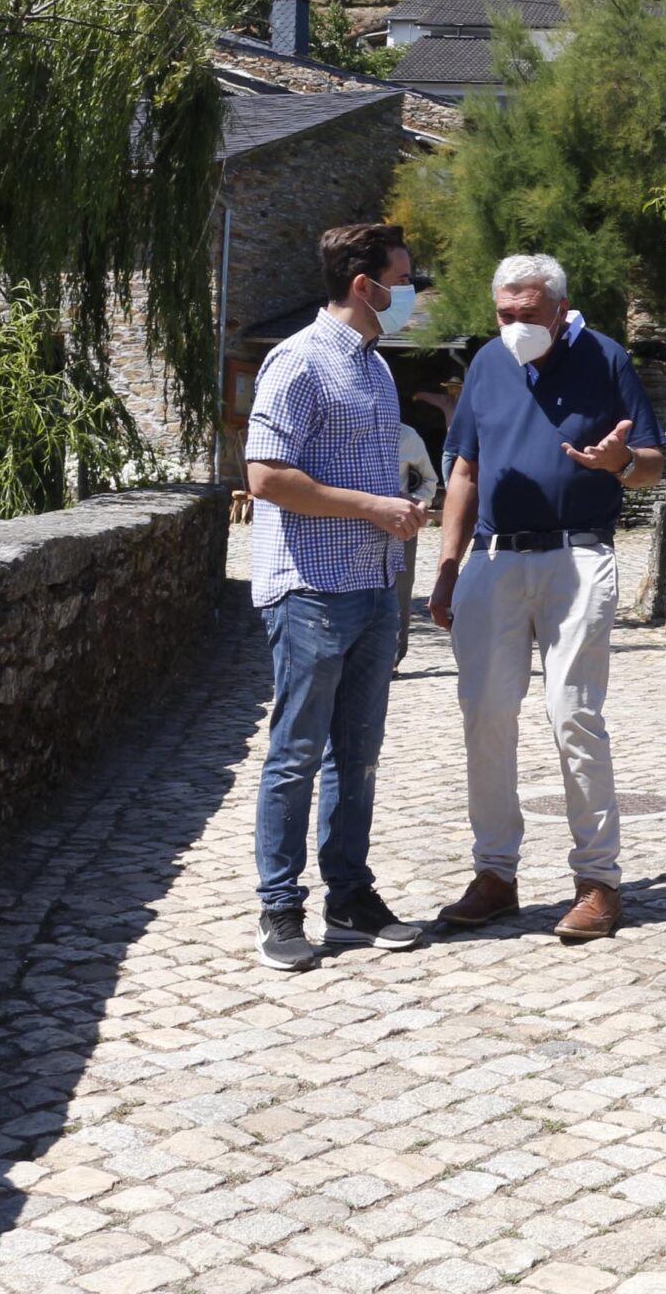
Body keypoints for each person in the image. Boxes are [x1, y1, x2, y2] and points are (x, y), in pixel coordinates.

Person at [430, 255, 664, 942]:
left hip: (578, 555)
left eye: (528, 315)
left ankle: (598, 882)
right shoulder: (487, 364)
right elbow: (465, 469)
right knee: (485, 715)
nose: (515, 327)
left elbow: (651, 465)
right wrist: (447, 568)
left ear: (560, 308)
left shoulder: (608, 359)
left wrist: (616, 461)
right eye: (505, 315)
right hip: (496, 559)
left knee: (574, 715)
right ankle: (495, 875)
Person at [245, 222, 429, 972]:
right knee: (295, 755)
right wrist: (371, 507)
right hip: (311, 592)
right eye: (406, 278)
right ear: (365, 285)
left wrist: (399, 507)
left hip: (373, 587)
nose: (414, 293)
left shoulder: (376, 368)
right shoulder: (297, 362)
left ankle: (349, 896)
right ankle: (279, 909)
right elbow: (266, 476)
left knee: (357, 757)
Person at [393, 422, 439, 668]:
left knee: (400, 589)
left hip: (401, 525)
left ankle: (393, 658)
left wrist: (420, 503)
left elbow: (428, 479)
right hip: (355, 523)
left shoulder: (407, 435)